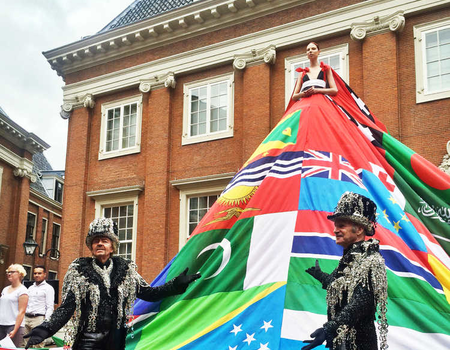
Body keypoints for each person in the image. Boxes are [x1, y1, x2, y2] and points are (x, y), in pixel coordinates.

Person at [24, 217, 200, 350]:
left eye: (104, 240)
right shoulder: (79, 269)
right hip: (87, 340)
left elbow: (149, 293)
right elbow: (66, 308)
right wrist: (44, 330)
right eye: (95, 240)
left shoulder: (126, 269)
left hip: (116, 340)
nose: (99, 243)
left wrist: (176, 284)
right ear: (91, 246)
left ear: (112, 246)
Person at [302, 192, 388, 350]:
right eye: (335, 226)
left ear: (359, 229)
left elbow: (360, 303)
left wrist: (329, 328)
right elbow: (339, 288)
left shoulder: (371, 261)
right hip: (342, 343)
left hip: (360, 345)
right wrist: (321, 276)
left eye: (341, 225)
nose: (335, 230)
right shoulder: (349, 260)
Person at [24, 265, 55, 348]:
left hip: (38, 319)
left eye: (39, 273)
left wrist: (46, 322)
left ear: (44, 274)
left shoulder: (48, 288)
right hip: (26, 319)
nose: (37, 275)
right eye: (35, 273)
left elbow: (50, 306)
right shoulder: (30, 288)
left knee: (38, 345)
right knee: (26, 345)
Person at [0, 264, 29, 347]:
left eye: (12, 272)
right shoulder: (5, 289)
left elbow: (22, 311)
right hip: (2, 324)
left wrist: (15, 329)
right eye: (8, 272)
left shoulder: (22, 290)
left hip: (13, 325)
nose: (9, 274)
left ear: (20, 274)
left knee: (12, 348)